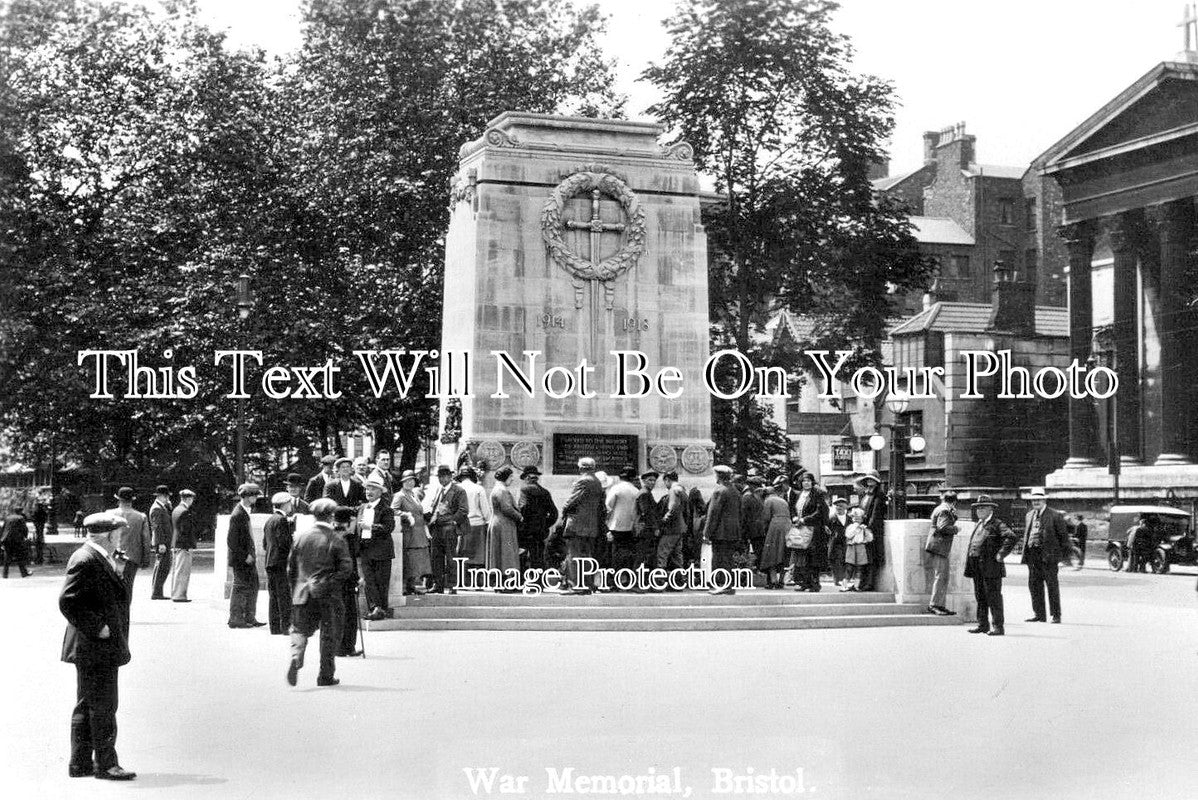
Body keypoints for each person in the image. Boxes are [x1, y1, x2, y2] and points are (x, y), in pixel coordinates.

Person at [60, 512, 136, 780]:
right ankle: (107, 764)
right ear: (109, 535)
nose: (120, 538)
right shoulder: (86, 559)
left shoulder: (98, 558)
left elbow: (108, 596)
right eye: (118, 534)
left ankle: (80, 763)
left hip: (92, 647)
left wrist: (117, 571)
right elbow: (68, 601)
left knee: (87, 703)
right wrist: (97, 627)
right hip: (94, 645)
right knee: (104, 705)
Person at [286, 498, 352, 688]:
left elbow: (291, 568)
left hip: (302, 591)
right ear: (332, 516)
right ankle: (325, 676)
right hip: (327, 593)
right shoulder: (336, 539)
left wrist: (296, 588)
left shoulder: (301, 536)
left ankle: (296, 657)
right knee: (329, 634)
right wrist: (329, 582)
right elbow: (345, 569)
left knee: (299, 629)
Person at [963, 495, 1018, 636]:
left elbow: (1011, 537)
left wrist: (1001, 554)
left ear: (991, 509)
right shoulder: (979, 524)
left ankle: (998, 627)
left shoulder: (997, 524)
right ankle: (982, 624)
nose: (979, 510)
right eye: (977, 508)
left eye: (983, 507)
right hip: (977, 566)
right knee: (980, 596)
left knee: (993, 597)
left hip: (991, 567)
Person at [1022, 488, 1070, 623]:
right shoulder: (1029, 515)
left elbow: (1063, 537)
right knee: (1034, 585)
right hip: (1033, 555)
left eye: (1038, 499)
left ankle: (1056, 615)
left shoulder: (1054, 515)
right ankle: (1039, 614)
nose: (1036, 502)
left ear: (1044, 500)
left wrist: (1064, 557)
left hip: (1049, 556)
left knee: (1052, 586)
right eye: (1033, 500)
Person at [559, 457, 604, 594]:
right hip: (590, 526)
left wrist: (563, 511)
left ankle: (575, 586)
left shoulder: (583, 481)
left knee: (574, 555)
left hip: (577, 524)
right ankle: (587, 585)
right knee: (587, 556)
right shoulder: (597, 482)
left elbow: (572, 501)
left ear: (581, 468)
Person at [227, 483, 266, 629]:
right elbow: (232, 540)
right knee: (240, 587)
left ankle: (249, 617)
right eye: (254, 495)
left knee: (252, 586)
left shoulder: (243, 511)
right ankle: (236, 618)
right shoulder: (238, 514)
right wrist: (245, 556)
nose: (256, 498)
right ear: (247, 497)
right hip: (242, 559)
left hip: (247, 557)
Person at [357, 476, 396, 620]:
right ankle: (374, 608)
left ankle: (381, 609)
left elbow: (388, 527)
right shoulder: (362, 507)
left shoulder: (386, 509)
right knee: (369, 581)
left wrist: (370, 527)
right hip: (366, 550)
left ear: (380, 491)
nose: (369, 491)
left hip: (381, 551)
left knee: (381, 582)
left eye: (373, 488)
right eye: (367, 488)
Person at [426, 465, 469, 594]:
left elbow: (463, 510)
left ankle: (452, 585)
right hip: (437, 528)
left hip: (449, 528)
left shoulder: (458, 491)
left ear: (450, 477)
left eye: (445, 476)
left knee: (451, 557)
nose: (442, 479)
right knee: (436, 557)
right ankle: (438, 584)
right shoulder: (439, 490)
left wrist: (453, 522)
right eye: (440, 476)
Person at [703, 465, 741, 595]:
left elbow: (713, 514)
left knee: (719, 559)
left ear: (718, 476)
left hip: (721, 531)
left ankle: (722, 585)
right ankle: (727, 585)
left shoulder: (719, 491)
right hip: (732, 531)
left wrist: (706, 533)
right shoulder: (734, 490)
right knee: (728, 559)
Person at [393, 470, 431, 595]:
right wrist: (405, 515)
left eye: (412, 480)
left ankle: (411, 585)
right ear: (402, 482)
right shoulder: (400, 496)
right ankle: (404, 586)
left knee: (417, 560)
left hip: (419, 531)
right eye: (407, 481)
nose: (410, 483)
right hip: (409, 531)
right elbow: (393, 510)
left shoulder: (414, 495)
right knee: (409, 560)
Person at [110, 488, 150, 606]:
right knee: (127, 589)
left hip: (111, 557)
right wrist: (145, 559)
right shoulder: (141, 517)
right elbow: (146, 540)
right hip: (132, 558)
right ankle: (124, 617)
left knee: (111, 588)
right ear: (132, 500)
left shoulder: (109, 514)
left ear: (118, 499)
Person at [331, 505, 362, 657]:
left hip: (334, 582)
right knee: (349, 615)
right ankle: (347, 647)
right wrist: (356, 579)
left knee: (337, 615)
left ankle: (339, 647)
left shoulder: (330, 535)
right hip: (346, 582)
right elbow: (348, 563)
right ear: (348, 522)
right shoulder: (346, 539)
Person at [263, 492, 295, 635]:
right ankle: (285, 626)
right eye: (289, 503)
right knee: (283, 596)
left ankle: (274, 626)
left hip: (270, 561)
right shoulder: (282, 520)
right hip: (280, 562)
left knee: (273, 595)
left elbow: (265, 543)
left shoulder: (270, 520)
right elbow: (284, 543)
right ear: (285, 504)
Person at [924, 490, 959, 615]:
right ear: (954, 501)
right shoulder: (945, 510)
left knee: (942, 577)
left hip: (937, 546)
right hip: (939, 547)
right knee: (941, 577)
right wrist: (955, 529)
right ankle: (934, 605)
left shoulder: (941, 508)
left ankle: (940, 604)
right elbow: (942, 527)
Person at [793, 472, 828, 592]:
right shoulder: (799, 495)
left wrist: (804, 519)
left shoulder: (817, 494)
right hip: (801, 528)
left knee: (813, 557)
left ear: (812, 482)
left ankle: (814, 584)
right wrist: (795, 518)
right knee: (803, 556)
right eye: (804, 481)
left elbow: (820, 512)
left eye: (808, 480)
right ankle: (805, 582)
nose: (806, 483)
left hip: (814, 530)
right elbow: (793, 508)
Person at [516, 467, 556, 573]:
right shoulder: (545, 492)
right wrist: (545, 524)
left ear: (527, 477)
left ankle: (522, 581)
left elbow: (523, 508)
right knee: (538, 557)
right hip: (540, 531)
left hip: (526, 530)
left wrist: (521, 522)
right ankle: (538, 583)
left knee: (522, 556)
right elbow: (554, 514)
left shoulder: (524, 489)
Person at [487, 467, 523, 582]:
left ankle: (499, 582)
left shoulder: (496, 489)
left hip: (496, 522)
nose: (512, 479)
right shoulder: (502, 490)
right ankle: (507, 581)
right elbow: (507, 508)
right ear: (505, 477)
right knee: (506, 554)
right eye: (511, 477)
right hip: (504, 525)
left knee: (498, 554)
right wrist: (520, 517)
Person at [458, 466, 491, 584]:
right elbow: (485, 509)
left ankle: (463, 581)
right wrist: (488, 521)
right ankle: (478, 582)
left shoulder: (457, 488)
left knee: (463, 553)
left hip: (462, 524)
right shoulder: (479, 489)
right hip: (478, 524)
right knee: (478, 555)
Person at [855, 470, 887, 591]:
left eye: (872, 479)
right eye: (868, 479)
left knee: (871, 558)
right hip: (863, 529)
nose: (869, 481)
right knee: (863, 558)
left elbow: (875, 514)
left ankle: (869, 583)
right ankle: (861, 583)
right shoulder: (865, 495)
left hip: (872, 531)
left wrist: (868, 528)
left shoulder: (879, 495)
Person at [759, 483, 790, 589]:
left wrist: (764, 530)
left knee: (771, 554)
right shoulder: (783, 501)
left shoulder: (768, 500)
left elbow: (766, 518)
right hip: (787, 526)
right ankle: (781, 580)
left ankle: (773, 580)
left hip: (775, 526)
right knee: (783, 554)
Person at [657, 471, 687, 578]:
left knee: (662, 553)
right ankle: (678, 580)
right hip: (680, 527)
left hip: (671, 528)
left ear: (667, 480)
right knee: (676, 555)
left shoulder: (674, 490)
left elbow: (673, 508)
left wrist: (663, 520)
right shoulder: (681, 489)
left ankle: (659, 580)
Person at [170, 489, 198, 602]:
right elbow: (185, 530)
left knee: (176, 570)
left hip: (176, 543)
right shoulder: (185, 511)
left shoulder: (176, 509)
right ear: (189, 499)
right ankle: (179, 595)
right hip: (183, 545)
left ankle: (175, 593)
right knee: (182, 571)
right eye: (191, 499)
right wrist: (189, 545)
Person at [148, 485, 174, 600]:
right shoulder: (157, 508)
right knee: (162, 566)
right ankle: (157, 592)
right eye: (167, 496)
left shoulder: (162, 507)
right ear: (163, 496)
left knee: (162, 566)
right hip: (162, 542)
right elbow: (156, 527)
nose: (168, 498)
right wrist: (161, 543)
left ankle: (158, 591)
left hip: (164, 541)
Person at [841, 507, 872, 592]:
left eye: (859, 518)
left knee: (859, 568)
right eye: (855, 517)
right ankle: (844, 585)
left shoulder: (864, 528)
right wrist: (856, 528)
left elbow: (870, 539)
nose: (857, 519)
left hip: (861, 548)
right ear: (852, 518)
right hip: (852, 547)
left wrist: (866, 531)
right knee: (849, 568)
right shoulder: (850, 527)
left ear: (862, 519)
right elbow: (848, 535)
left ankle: (856, 586)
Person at [1, 507, 31, 578]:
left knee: (7, 557)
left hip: (7, 539)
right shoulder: (20, 518)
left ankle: (5, 574)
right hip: (17, 540)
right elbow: (24, 528)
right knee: (20, 556)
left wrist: (2, 539)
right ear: (20, 511)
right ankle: (24, 573)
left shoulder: (7, 518)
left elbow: (3, 528)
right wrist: (25, 536)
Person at [827, 496, 849, 587]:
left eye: (841, 506)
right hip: (835, 543)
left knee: (845, 561)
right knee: (836, 561)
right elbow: (827, 530)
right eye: (837, 506)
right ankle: (837, 580)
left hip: (846, 543)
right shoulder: (832, 518)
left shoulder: (849, 518)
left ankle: (844, 580)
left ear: (845, 507)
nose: (839, 508)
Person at [32, 496, 48, 564]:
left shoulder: (36, 511)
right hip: (41, 524)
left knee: (39, 532)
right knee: (40, 532)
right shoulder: (43, 511)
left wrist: (35, 522)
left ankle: (39, 540)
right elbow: (45, 517)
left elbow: (33, 517)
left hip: (38, 524)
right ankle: (40, 540)